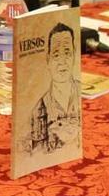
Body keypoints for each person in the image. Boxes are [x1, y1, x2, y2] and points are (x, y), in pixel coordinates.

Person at [24, 23, 81, 154]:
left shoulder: (81, 93)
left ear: (74, 54)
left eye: (67, 52)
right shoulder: (39, 110)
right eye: (56, 55)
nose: (62, 61)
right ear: (48, 59)